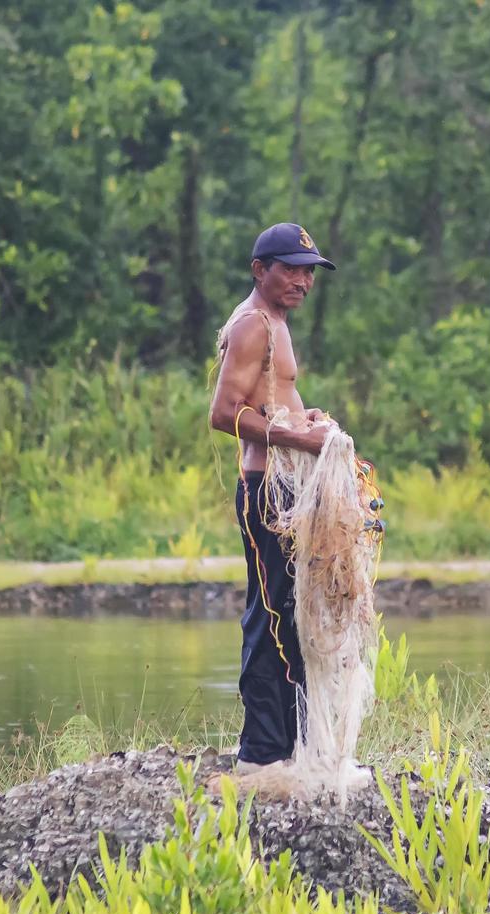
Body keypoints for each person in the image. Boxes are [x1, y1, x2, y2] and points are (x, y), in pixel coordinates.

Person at [208, 223, 336, 774]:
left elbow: (275, 401)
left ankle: (295, 746)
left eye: (308, 271)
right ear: (260, 270)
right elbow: (223, 413)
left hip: (291, 487)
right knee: (270, 614)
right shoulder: (252, 325)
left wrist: (313, 422)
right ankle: (261, 751)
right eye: (290, 269)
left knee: (297, 610)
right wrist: (299, 438)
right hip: (266, 491)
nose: (302, 281)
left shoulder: (277, 322)